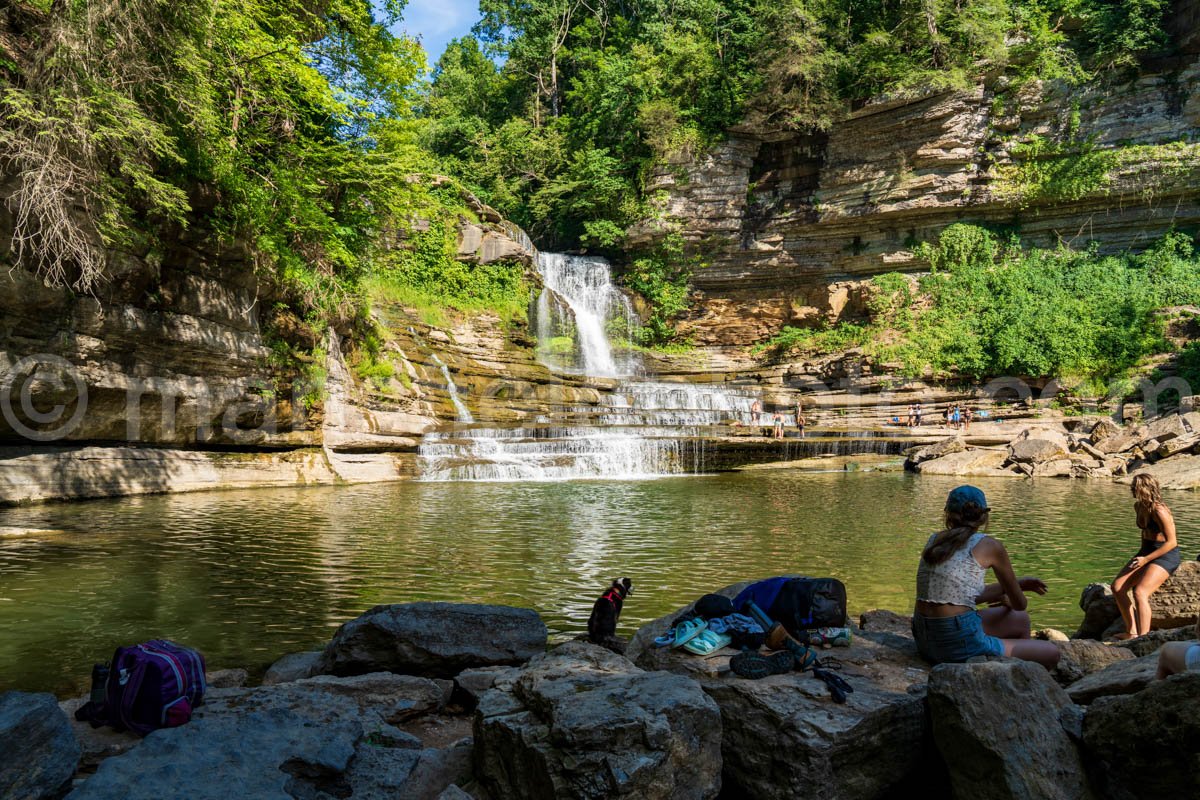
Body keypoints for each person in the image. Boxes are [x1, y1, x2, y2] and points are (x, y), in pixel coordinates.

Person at [912, 485, 1060, 668]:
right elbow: (1020, 605)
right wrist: (1010, 596)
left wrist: (1019, 584)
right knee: (1053, 652)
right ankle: (1015, 676)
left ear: (948, 514)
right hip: (957, 642)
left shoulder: (934, 541)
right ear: (983, 516)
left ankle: (1013, 670)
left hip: (924, 637)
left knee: (1020, 620)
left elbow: (956, 595)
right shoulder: (990, 546)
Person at [1112, 474, 1181, 639]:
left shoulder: (1160, 510)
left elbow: (1172, 542)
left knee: (1140, 592)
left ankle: (1144, 637)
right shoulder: (1138, 506)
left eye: (1136, 487)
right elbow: (1145, 534)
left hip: (1165, 554)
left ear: (1146, 489)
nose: (1132, 490)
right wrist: (1141, 556)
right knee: (1117, 587)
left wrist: (1146, 560)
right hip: (1146, 551)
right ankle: (1132, 632)